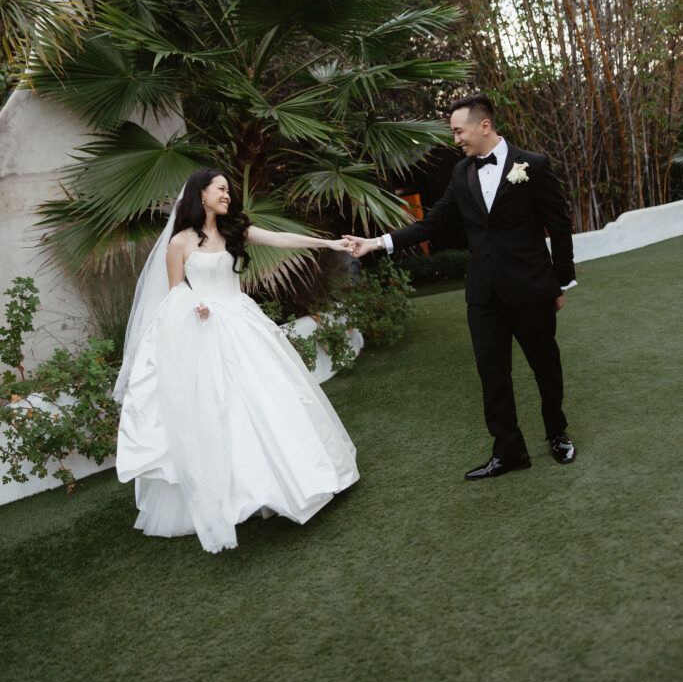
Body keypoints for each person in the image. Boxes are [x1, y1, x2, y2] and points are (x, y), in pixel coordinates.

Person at [114, 168, 359, 552]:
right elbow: (174, 294)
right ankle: (233, 491)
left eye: (229, 190)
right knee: (219, 411)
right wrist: (195, 306)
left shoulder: (233, 232)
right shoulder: (179, 242)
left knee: (268, 401)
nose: (228, 195)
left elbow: (278, 239)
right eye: (221, 189)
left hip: (244, 324)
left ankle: (291, 479)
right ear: (201, 195)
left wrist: (328, 244)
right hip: (206, 333)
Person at [344, 93, 577, 480]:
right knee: (492, 374)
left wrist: (560, 281)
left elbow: (560, 222)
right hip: (483, 295)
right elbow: (431, 224)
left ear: (484, 125)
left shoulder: (533, 166)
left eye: (458, 131)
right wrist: (377, 243)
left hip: (531, 289)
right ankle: (509, 451)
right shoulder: (461, 173)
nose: (456, 140)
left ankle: (557, 434)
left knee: (545, 367)